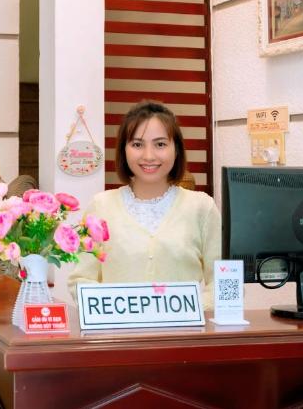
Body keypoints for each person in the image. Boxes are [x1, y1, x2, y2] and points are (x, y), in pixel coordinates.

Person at [68, 100, 221, 305]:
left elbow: (225, 285)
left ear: (176, 150)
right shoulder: (100, 206)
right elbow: (80, 280)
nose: (149, 156)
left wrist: (180, 310)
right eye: (137, 144)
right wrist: (123, 309)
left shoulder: (202, 207)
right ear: (124, 150)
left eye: (160, 144)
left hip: (184, 334)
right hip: (117, 334)